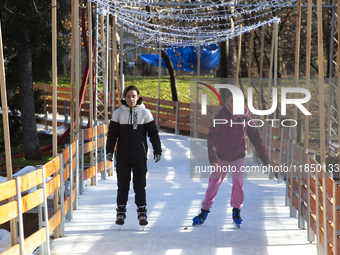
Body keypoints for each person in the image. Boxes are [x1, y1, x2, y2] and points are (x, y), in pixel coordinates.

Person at [192, 90, 269, 228]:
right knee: (214, 183)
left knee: (238, 183)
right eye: (232, 100)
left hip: (238, 156)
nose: (235, 103)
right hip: (221, 156)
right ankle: (204, 212)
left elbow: (256, 137)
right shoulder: (222, 116)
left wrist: (265, 158)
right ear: (227, 102)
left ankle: (236, 211)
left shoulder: (246, 117)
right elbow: (212, 137)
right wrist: (213, 157)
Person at [106, 85, 162, 228]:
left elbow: (153, 133)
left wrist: (157, 150)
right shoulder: (118, 113)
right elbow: (112, 135)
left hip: (139, 157)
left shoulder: (145, 113)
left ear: (138, 97)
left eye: (134, 96)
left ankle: (142, 212)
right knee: (122, 186)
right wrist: (110, 150)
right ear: (124, 98)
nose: (131, 99)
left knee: (140, 186)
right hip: (123, 158)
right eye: (128, 96)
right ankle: (120, 211)